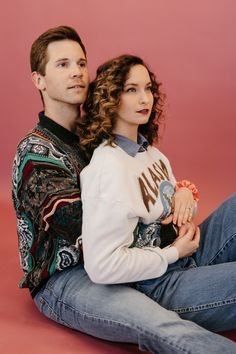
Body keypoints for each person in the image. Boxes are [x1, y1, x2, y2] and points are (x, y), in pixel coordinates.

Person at [11, 26, 236, 354]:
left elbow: (144, 182)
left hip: (150, 256)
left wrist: (182, 192)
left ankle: (191, 287)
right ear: (39, 80)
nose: (76, 72)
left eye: (81, 63)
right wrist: (171, 246)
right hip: (73, 277)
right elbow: (95, 237)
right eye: (62, 65)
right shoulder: (36, 154)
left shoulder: (99, 133)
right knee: (157, 323)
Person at [80, 53, 236, 341]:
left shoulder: (149, 153)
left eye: (148, 88)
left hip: (186, 253)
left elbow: (167, 201)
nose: (145, 99)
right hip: (158, 285)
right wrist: (173, 253)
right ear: (110, 98)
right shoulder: (107, 169)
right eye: (131, 90)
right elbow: (101, 266)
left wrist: (185, 194)